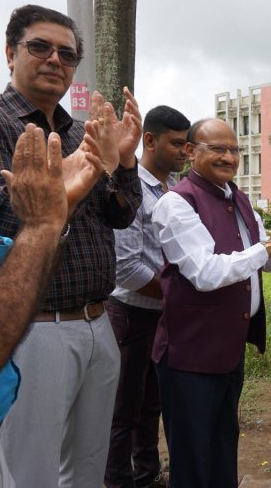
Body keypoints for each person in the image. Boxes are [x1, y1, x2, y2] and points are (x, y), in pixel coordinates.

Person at [0, 4, 143, 488]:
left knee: (89, 467)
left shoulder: (82, 132)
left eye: (67, 54)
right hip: (37, 329)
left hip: (99, 321)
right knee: (32, 469)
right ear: (10, 53)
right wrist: (68, 189)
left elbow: (120, 215)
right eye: (40, 47)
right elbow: (0, 221)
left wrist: (122, 163)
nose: (55, 59)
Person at [151, 118, 271, 487]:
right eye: (217, 148)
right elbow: (205, 273)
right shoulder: (176, 204)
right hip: (190, 355)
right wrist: (269, 246)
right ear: (190, 151)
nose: (229, 157)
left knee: (223, 443)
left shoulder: (240, 200)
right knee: (193, 456)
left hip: (229, 350)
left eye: (234, 150)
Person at [105, 105, 190, 488]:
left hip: (161, 313)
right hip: (131, 314)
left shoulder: (171, 191)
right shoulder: (131, 188)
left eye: (187, 145)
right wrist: (175, 295)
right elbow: (126, 268)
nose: (184, 152)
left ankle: (147, 474)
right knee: (124, 407)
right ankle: (119, 480)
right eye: (176, 144)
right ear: (150, 141)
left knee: (152, 402)